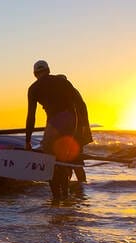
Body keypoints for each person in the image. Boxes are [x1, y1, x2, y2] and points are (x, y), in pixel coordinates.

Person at [24, 60, 88, 200]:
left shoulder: (34, 88)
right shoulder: (62, 81)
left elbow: (31, 116)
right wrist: (82, 128)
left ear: (35, 74)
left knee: (49, 160)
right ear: (48, 70)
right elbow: (80, 104)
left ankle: (56, 198)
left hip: (55, 121)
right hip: (72, 120)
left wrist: (28, 140)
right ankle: (65, 194)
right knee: (63, 159)